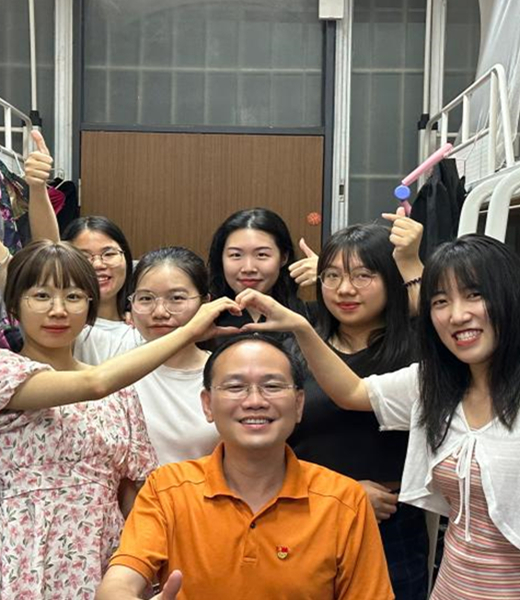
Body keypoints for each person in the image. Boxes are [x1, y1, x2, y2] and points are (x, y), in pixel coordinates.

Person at [236, 234, 520, 600]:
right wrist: (301, 327)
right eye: (440, 301)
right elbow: (352, 393)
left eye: (474, 295)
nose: (457, 315)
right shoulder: (433, 384)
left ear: (511, 299)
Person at [0, 240, 242, 599]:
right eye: (41, 296)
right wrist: (190, 330)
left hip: (108, 558)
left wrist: (152, 569)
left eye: (73, 297)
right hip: (26, 555)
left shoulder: (121, 394)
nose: (58, 310)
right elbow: (94, 384)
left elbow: (132, 493)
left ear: (90, 306)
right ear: (15, 304)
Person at [96, 334, 395, 600]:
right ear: (207, 404)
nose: (255, 401)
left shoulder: (344, 500)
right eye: (236, 387)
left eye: (272, 386)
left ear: (299, 404)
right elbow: (119, 582)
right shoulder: (167, 488)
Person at [287, 218, 429, 599]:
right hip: (303, 512)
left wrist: (411, 261)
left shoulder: (420, 350)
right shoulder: (297, 348)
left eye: (363, 275)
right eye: (331, 276)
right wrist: (339, 491)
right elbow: (266, 441)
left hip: (391, 523)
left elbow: (442, 310)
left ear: (391, 278)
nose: (344, 289)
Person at [0, 132, 134, 362]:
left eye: (109, 253)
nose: (98, 264)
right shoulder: (60, 324)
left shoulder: (144, 323)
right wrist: (36, 188)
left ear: (126, 256)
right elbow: (49, 258)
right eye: (83, 256)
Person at [76, 246, 221, 464]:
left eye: (176, 298)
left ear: (205, 303)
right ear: (131, 303)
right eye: (145, 299)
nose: (159, 312)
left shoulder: (222, 371)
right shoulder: (112, 351)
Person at [206, 208, 312, 331]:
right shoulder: (206, 319)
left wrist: (326, 274)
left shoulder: (311, 316)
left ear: (283, 257)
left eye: (261, 255)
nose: (248, 268)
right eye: (236, 255)